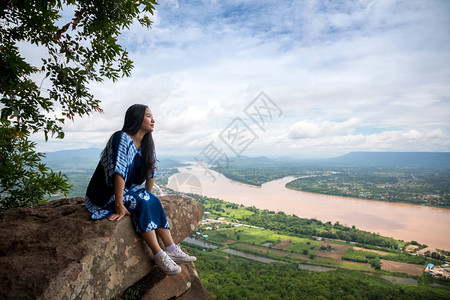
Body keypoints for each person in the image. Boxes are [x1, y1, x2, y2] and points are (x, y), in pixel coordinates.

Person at [85, 104, 195, 275]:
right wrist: (119, 204)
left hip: (129, 188)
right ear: (136, 118)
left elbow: (151, 172)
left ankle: (171, 248)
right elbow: (118, 173)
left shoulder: (146, 143)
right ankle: (158, 254)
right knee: (142, 202)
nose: (153, 120)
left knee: (152, 200)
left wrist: (149, 195)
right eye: (149, 116)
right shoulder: (121, 138)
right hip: (105, 191)